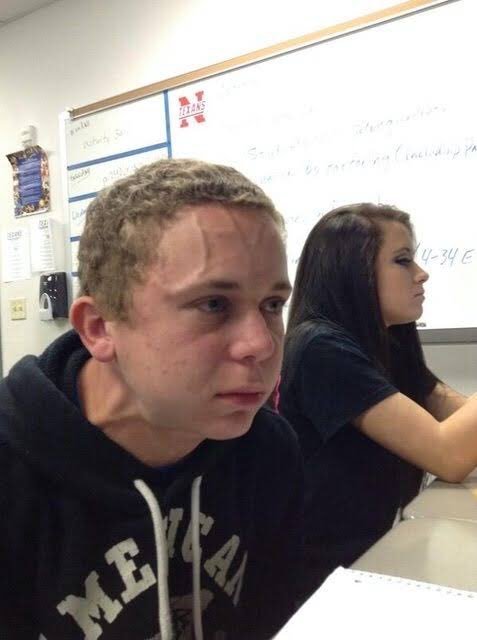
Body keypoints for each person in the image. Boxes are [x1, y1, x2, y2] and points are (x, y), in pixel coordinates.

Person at [0, 159, 304, 639]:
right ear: (99, 329)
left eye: (272, 305)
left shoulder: (267, 451)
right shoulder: (14, 473)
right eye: (213, 304)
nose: (261, 344)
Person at [279, 202, 477, 595]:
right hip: (327, 577)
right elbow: (448, 456)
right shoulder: (320, 347)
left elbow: (453, 414)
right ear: (352, 271)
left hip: (381, 546)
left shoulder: (386, 341)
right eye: (403, 261)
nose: (422, 273)